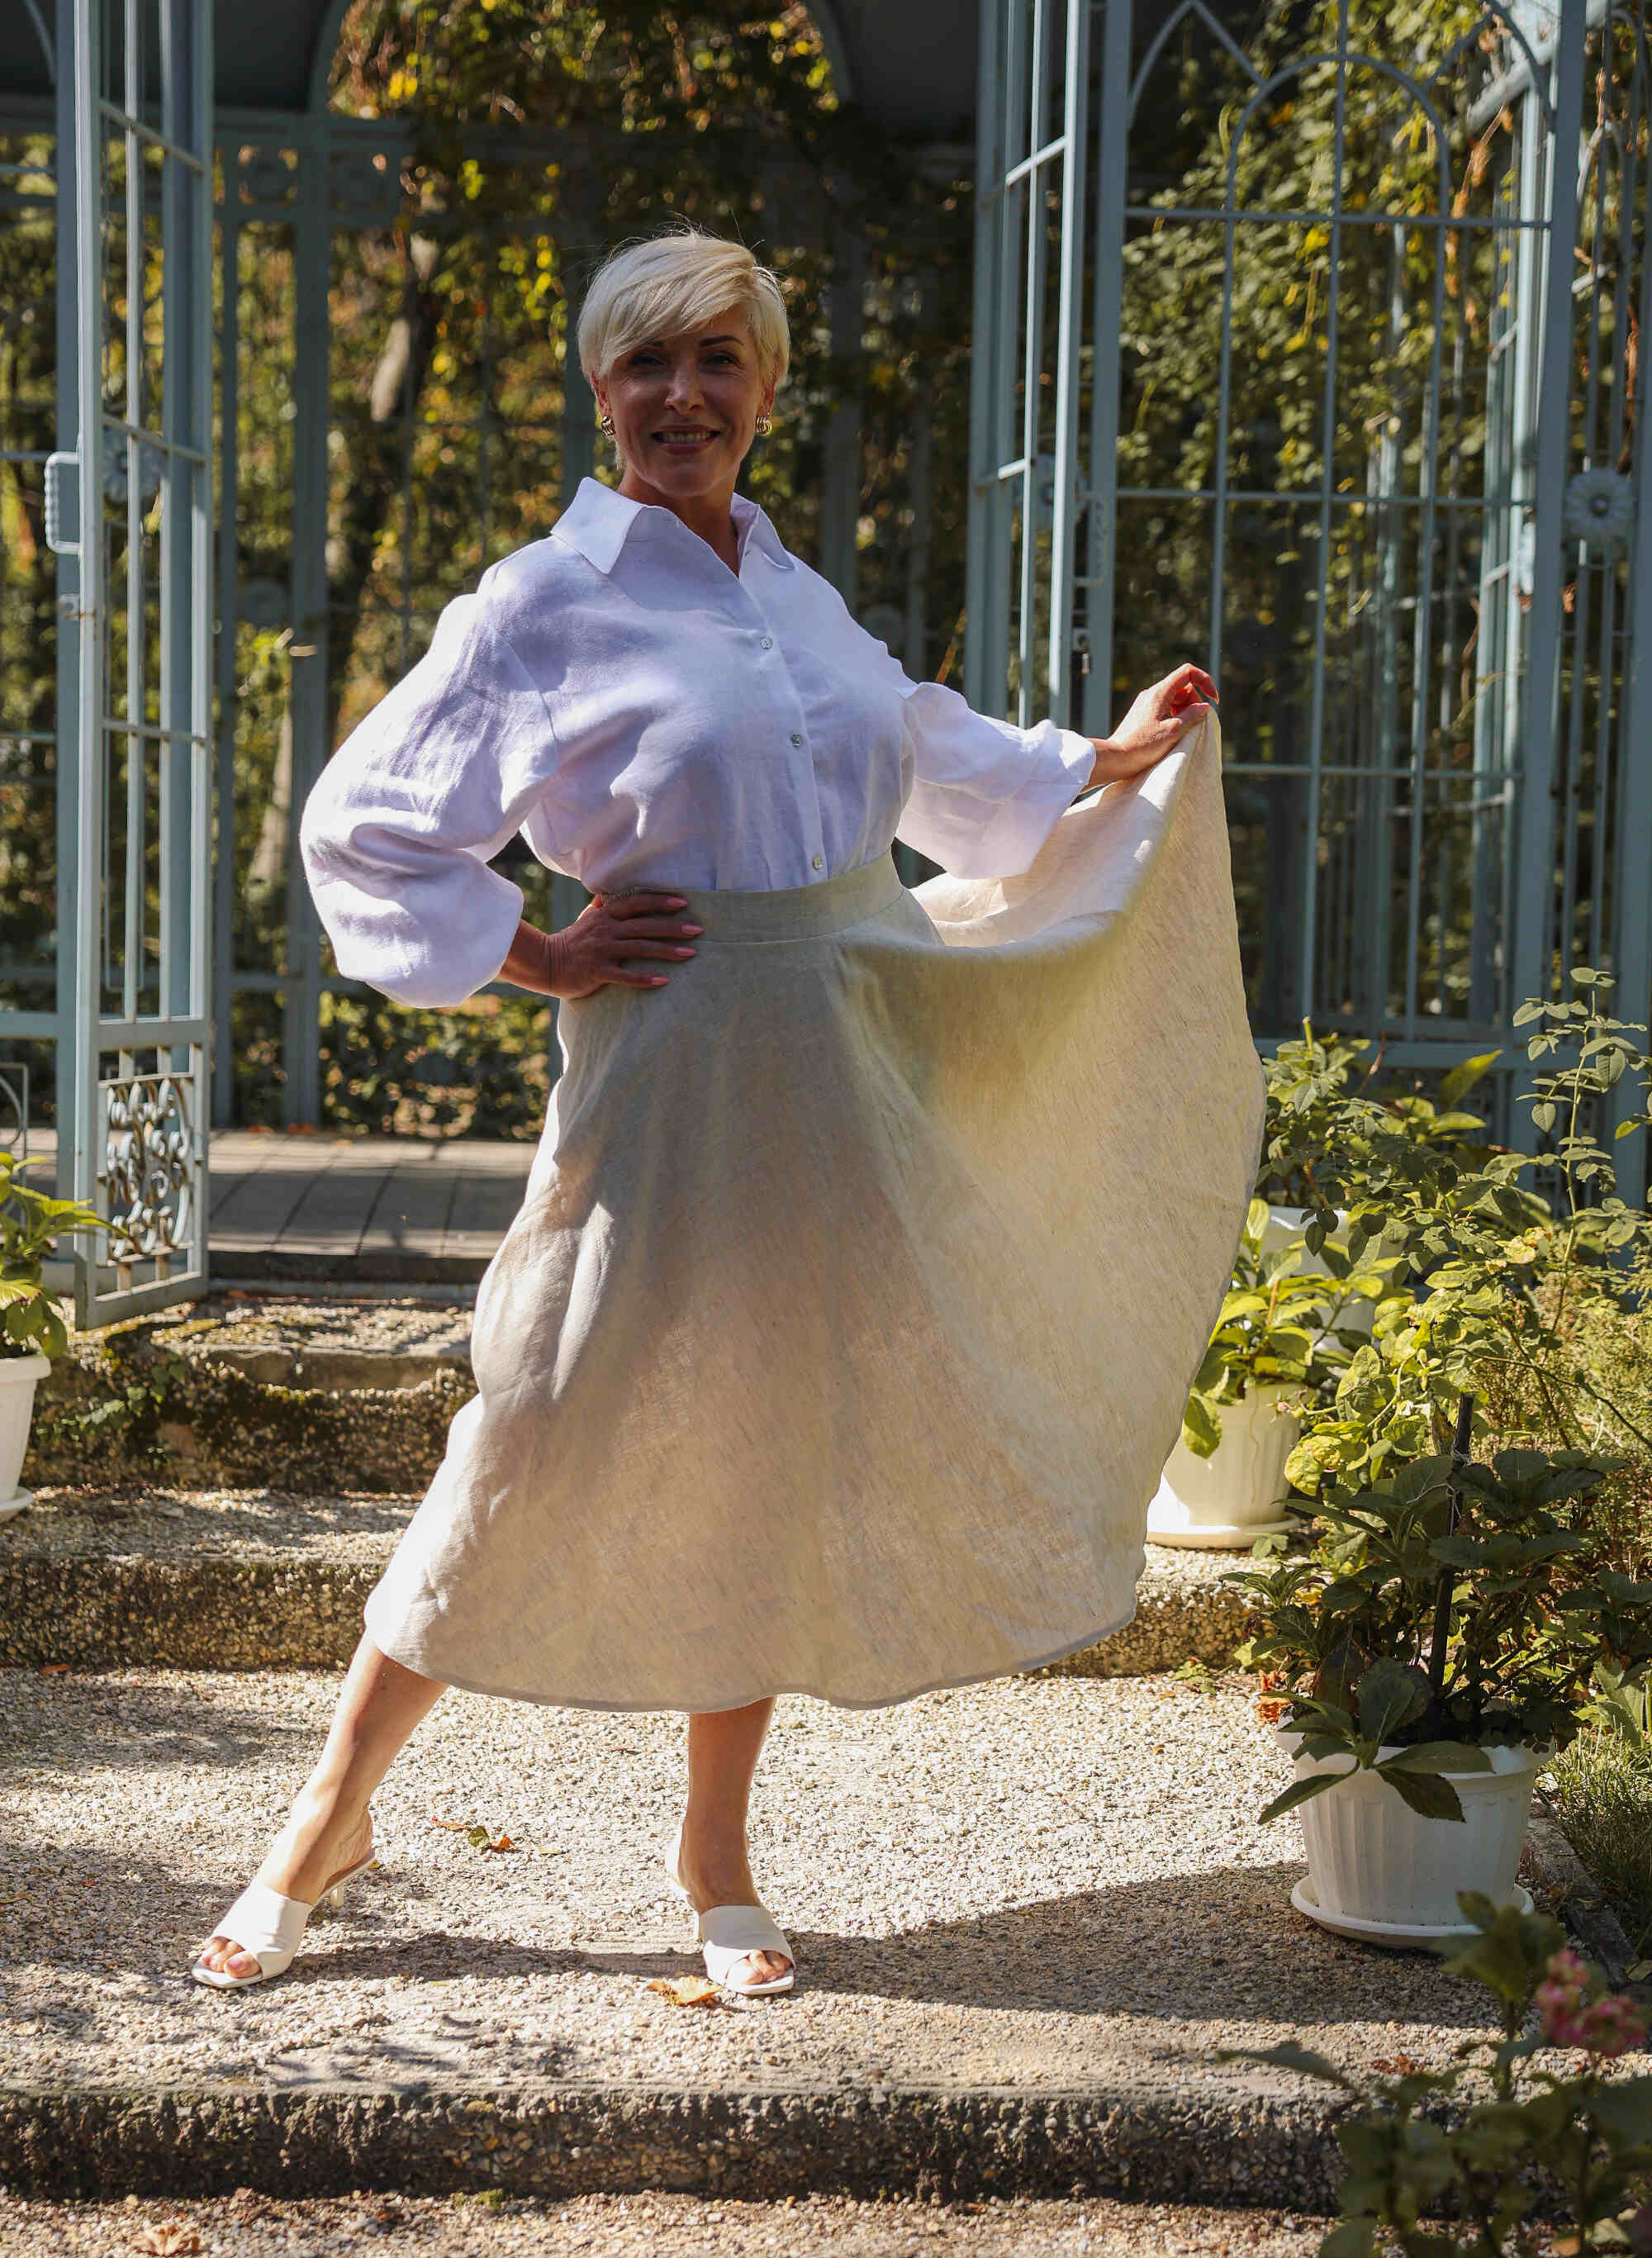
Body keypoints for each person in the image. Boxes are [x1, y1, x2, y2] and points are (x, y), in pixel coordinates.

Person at [193, 227, 1260, 2000]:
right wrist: (539, 952)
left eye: (717, 361)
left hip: (850, 1045)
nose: (681, 395)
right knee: (531, 1417)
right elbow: (362, 826)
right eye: (645, 364)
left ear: (765, 386)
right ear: (599, 391)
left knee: (764, 1442)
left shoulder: (788, 586)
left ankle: (716, 1854)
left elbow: (912, 751)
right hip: (676, 1058)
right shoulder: (539, 604)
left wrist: (1096, 763)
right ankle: (325, 1815)